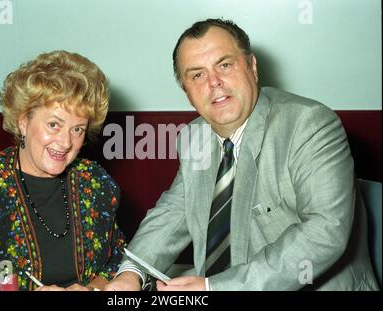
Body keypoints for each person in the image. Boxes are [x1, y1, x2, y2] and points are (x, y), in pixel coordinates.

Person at [105, 18, 379, 291]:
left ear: (252, 66)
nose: (214, 82)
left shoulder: (309, 123)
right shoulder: (194, 136)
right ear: (187, 92)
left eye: (225, 65)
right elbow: (174, 212)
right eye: (197, 75)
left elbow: (325, 230)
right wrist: (132, 272)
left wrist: (215, 288)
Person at [0, 50, 126, 291]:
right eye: (54, 125)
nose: (66, 142)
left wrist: (91, 288)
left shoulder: (96, 182)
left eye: (77, 129)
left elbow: (117, 258)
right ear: (23, 122)